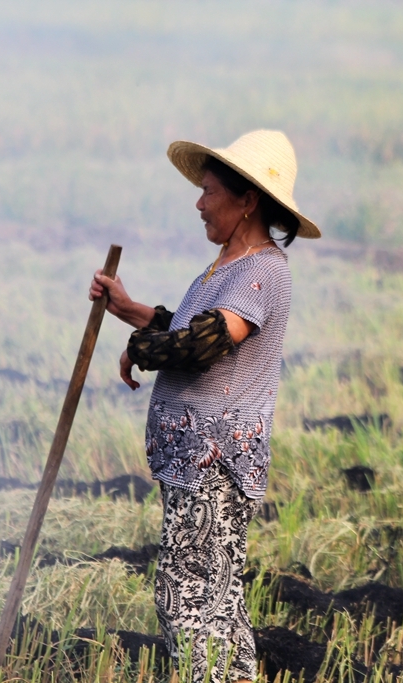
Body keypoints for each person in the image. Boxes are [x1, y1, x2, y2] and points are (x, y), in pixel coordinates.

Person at [88, 130, 320, 682]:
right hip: (197, 465)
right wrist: (130, 312)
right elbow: (185, 330)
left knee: (189, 601)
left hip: (215, 467)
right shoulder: (225, 268)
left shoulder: (262, 270)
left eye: (209, 191)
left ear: (247, 201)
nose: (198, 203)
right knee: (213, 600)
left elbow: (200, 346)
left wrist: (140, 348)